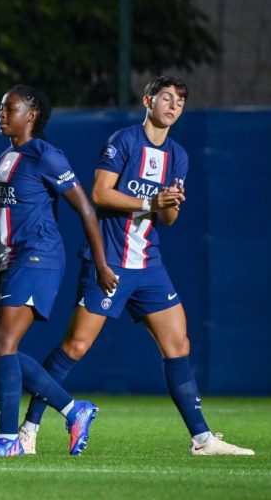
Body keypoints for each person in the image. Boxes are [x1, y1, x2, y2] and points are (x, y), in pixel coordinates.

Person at [18, 76, 254, 456]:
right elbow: (99, 194)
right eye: (166, 97)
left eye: (180, 100)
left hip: (149, 265)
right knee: (75, 347)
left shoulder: (178, 155)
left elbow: (169, 218)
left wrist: (170, 203)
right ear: (148, 100)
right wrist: (152, 203)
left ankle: (202, 439)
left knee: (179, 343)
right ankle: (27, 430)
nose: (174, 105)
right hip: (110, 261)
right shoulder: (124, 141)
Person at [0, 84, 118, 457]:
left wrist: (101, 264)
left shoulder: (46, 155)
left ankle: (9, 440)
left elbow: (85, 208)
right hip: (8, 261)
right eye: (1, 108)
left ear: (32, 114)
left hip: (37, 258)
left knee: (4, 345)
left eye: (10, 108)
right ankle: (73, 409)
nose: (1, 114)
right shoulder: (8, 155)